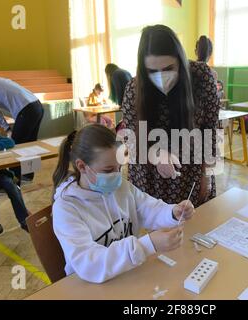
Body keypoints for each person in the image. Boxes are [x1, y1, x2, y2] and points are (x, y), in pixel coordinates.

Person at [52, 124, 194, 283]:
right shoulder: (66, 208)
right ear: (82, 166)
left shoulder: (122, 187)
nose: (117, 176)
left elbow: (149, 208)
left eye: (119, 168)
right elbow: (89, 263)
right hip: (89, 286)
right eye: (108, 170)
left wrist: (173, 212)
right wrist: (147, 245)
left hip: (126, 275)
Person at [122, 25, 221, 207]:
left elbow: (212, 130)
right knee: (161, 228)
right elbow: (132, 140)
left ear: (180, 60)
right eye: (152, 71)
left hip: (192, 172)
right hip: (151, 176)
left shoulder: (200, 77)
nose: (161, 76)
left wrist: (206, 175)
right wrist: (156, 154)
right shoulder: (134, 89)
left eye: (169, 68)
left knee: (196, 223)